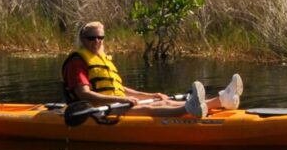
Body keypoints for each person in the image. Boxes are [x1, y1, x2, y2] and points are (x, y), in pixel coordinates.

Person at [60, 21, 241, 117]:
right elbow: (84, 94)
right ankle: (189, 109)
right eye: (92, 38)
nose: (97, 41)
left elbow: (120, 89)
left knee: (162, 101)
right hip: (97, 109)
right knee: (152, 109)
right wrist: (120, 99)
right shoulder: (77, 61)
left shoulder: (102, 58)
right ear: (83, 39)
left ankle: (222, 100)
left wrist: (150, 95)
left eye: (100, 37)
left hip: (116, 103)